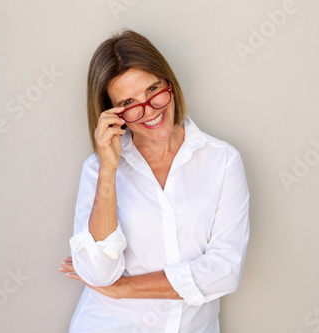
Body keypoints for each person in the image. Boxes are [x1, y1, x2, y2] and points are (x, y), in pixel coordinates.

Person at [60, 30, 250, 333]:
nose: (150, 110)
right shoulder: (98, 170)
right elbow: (98, 273)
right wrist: (109, 170)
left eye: (153, 90)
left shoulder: (222, 161)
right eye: (130, 103)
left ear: (169, 84)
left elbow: (225, 271)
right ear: (114, 114)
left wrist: (126, 288)